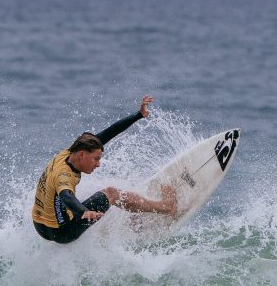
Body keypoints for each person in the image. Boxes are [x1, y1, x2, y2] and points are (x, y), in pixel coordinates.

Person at [32, 95, 177, 244]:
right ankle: (166, 207)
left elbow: (110, 132)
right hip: (62, 232)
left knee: (96, 195)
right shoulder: (64, 176)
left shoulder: (68, 153)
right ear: (82, 154)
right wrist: (84, 211)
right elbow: (66, 196)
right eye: (96, 159)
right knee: (111, 193)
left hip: (40, 225)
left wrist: (138, 115)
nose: (98, 164)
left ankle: (134, 213)